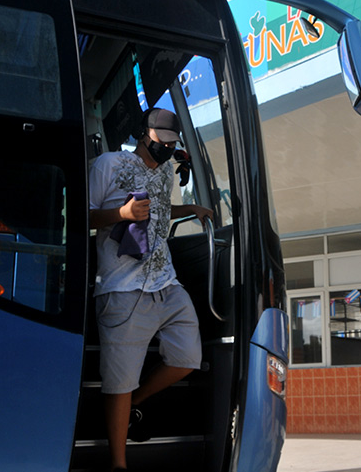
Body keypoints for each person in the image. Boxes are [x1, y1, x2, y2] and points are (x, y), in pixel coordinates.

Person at [89, 107, 213, 472]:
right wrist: (121, 215)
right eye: (162, 143)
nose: (166, 151)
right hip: (123, 288)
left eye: (172, 146)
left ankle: (135, 402)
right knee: (119, 379)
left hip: (166, 282)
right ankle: (118, 463)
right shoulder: (108, 165)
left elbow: (159, 209)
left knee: (188, 356)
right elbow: (79, 215)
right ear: (144, 133)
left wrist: (188, 207)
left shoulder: (164, 174)